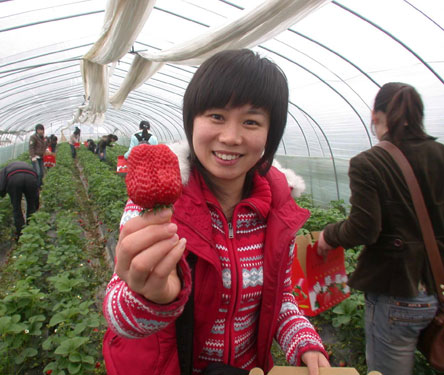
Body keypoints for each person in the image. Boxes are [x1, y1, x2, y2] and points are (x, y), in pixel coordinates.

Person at [102, 49, 329, 375]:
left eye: (251, 121)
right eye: (216, 116)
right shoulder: (158, 207)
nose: (231, 137)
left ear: (270, 133)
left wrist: (304, 342)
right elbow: (119, 317)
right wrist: (154, 299)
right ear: (192, 120)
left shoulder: (278, 209)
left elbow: (279, 298)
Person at [317, 82, 444, 375]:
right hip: (437, 287)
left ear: (375, 116)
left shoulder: (370, 162)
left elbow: (364, 229)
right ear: (419, 115)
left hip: (396, 292)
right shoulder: (440, 154)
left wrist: (328, 235)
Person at [0, 161, 39, 240]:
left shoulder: (4, 170)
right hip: (31, 178)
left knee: (17, 208)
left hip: (14, 179)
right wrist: (36, 205)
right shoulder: (29, 166)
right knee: (31, 206)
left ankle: (21, 235)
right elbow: (36, 191)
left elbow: (1, 188)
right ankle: (32, 231)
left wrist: (0, 192)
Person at [29, 123, 47, 188]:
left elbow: (44, 146)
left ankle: (40, 183)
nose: (41, 131)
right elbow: (31, 147)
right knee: (38, 172)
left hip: (41, 157)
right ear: (36, 130)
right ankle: (37, 186)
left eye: (42, 130)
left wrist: (46, 150)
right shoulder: (33, 137)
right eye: (39, 130)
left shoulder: (43, 138)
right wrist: (33, 156)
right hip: (35, 157)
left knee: (42, 173)